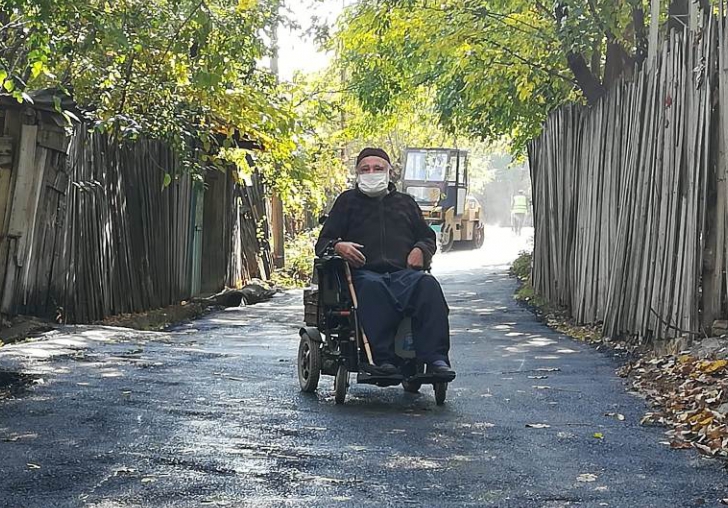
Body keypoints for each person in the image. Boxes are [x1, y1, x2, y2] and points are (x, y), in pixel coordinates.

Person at [315, 147, 455, 378]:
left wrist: (421, 249)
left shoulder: (405, 203)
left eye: (378, 168)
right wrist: (340, 246)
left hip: (403, 274)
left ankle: (436, 359)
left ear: (390, 172)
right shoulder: (347, 202)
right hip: (362, 274)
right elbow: (324, 242)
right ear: (357, 174)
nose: (372, 173)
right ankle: (383, 360)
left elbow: (427, 236)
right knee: (373, 287)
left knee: (428, 285)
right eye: (365, 169)